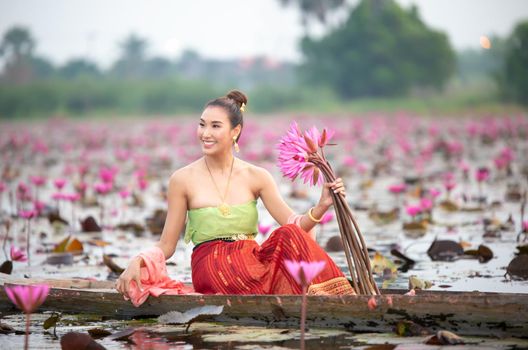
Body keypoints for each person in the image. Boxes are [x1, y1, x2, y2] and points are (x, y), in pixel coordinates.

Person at [116, 90, 355, 298]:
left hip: (252, 261)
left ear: (235, 131)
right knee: (261, 261)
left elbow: (295, 226)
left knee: (288, 233)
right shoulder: (182, 179)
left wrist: (321, 206)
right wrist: (138, 260)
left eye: (215, 126)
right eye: (202, 124)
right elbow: (167, 245)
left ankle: (333, 299)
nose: (205, 133)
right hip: (211, 267)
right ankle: (308, 299)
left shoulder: (257, 176)